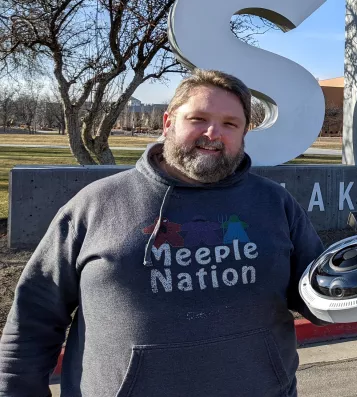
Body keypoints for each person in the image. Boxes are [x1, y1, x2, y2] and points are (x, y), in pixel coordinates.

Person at [0, 69, 326, 396]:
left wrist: (355, 286)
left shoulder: (275, 203)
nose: (213, 133)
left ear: (242, 134)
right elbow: (33, 318)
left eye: (230, 124)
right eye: (198, 118)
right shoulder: (96, 204)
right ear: (168, 123)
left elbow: (318, 295)